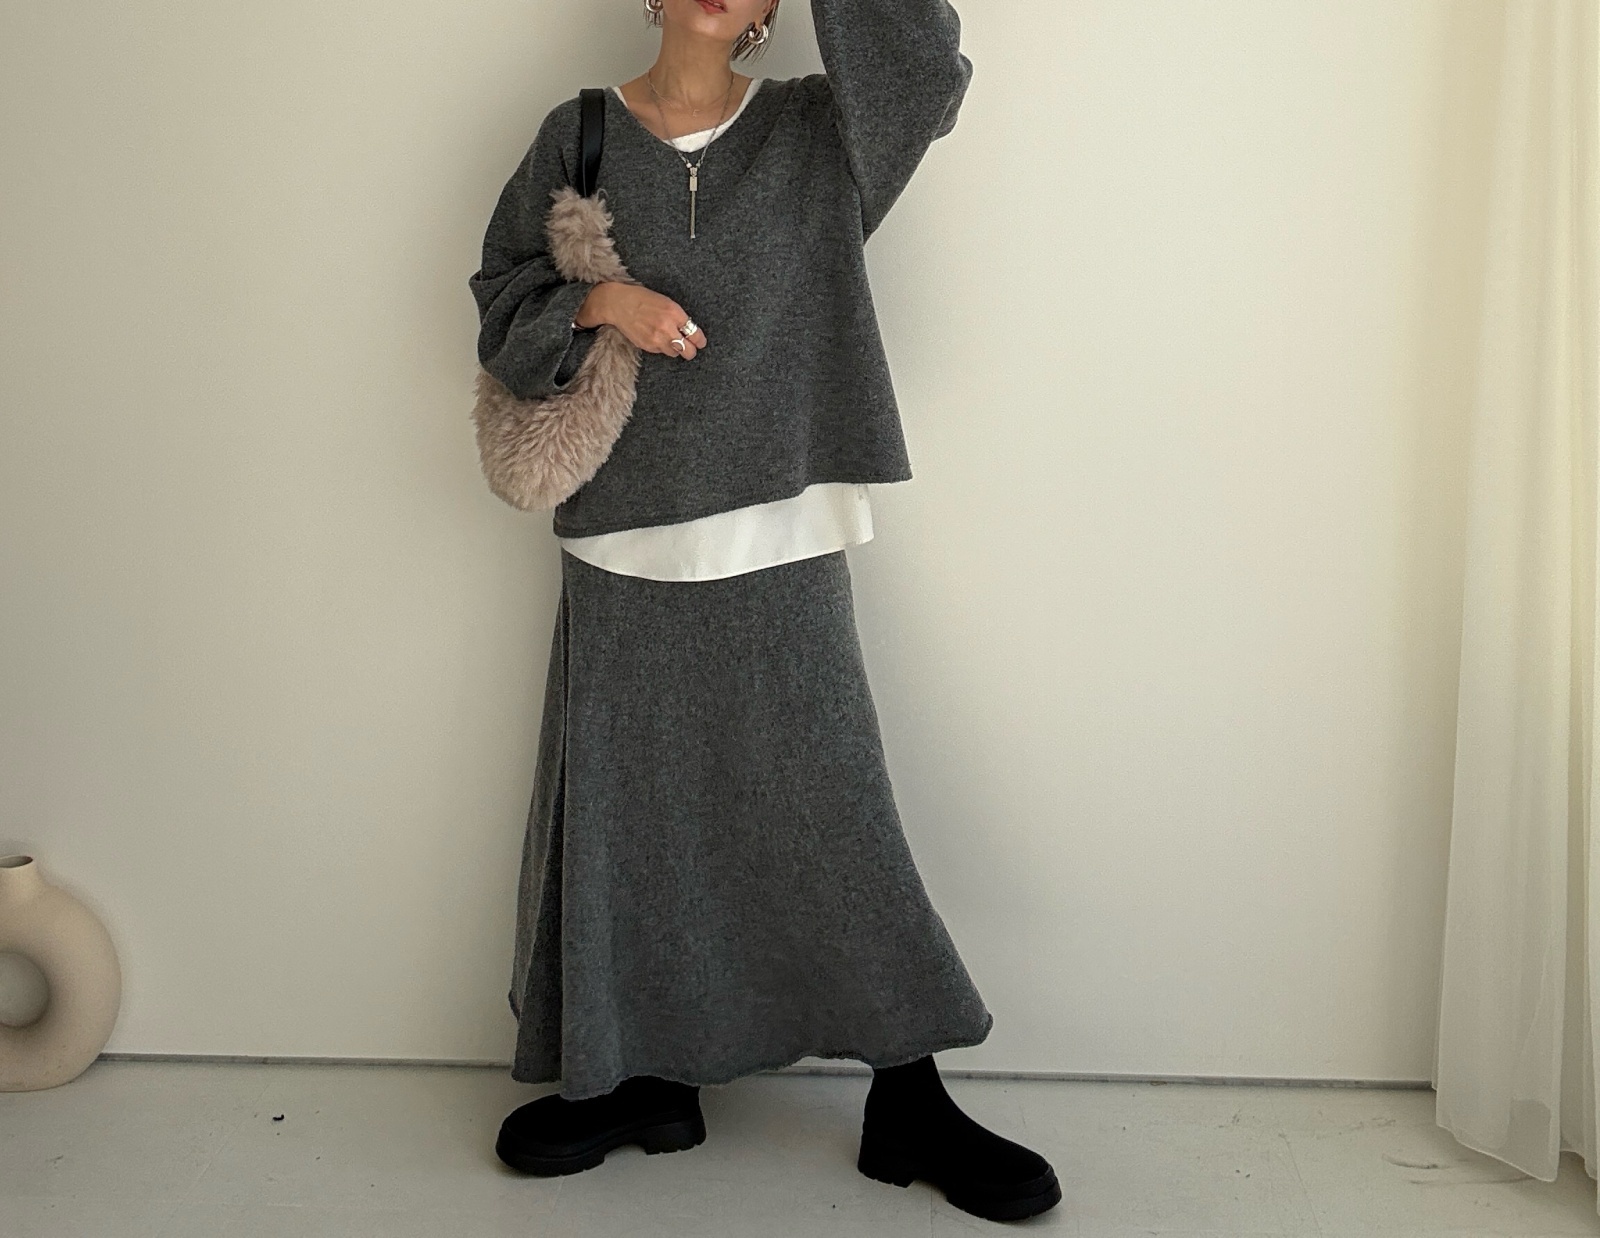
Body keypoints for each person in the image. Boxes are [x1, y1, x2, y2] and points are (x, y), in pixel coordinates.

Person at [466, 0, 1061, 1223]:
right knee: (630, 823)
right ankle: (640, 1077)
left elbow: (925, 67)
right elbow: (500, 296)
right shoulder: (577, 133)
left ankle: (908, 1094)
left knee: (832, 814)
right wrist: (602, 305)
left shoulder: (820, 131)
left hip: (784, 518)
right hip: (624, 531)